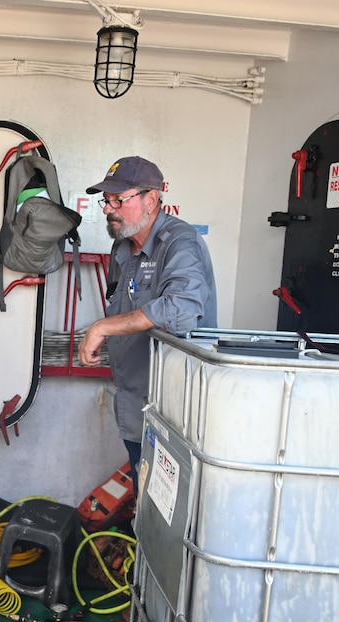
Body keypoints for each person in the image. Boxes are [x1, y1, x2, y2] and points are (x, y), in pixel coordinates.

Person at [78, 157, 217, 495]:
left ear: (151, 199)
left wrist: (103, 327)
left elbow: (182, 309)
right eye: (106, 201)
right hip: (135, 399)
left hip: (173, 408)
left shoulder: (179, 243)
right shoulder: (122, 247)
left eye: (118, 200)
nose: (109, 210)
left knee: (168, 509)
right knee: (146, 503)